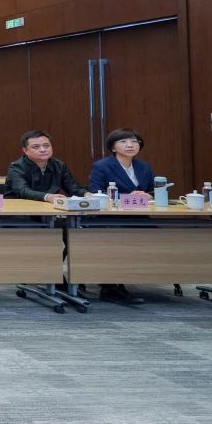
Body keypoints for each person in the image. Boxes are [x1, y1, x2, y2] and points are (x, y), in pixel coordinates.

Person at [87, 128, 155, 305]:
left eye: (134, 141)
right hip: (109, 219)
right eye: (123, 142)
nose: (130, 145)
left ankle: (136, 275)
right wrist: (126, 197)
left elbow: (153, 191)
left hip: (139, 217)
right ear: (113, 147)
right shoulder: (102, 166)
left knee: (158, 236)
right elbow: (95, 193)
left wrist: (148, 195)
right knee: (117, 237)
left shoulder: (144, 167)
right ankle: (110, 286)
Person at [5, 130, 86, 203]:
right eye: (36, 147)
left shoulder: (58, 165)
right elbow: (23, 191)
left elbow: (73, 188)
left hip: (49, 210)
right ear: (25, 150)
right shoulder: (16, 167)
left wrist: (87, 194)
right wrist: (48, 197)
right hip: (21, 210)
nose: (43, 150)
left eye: (46, 145)